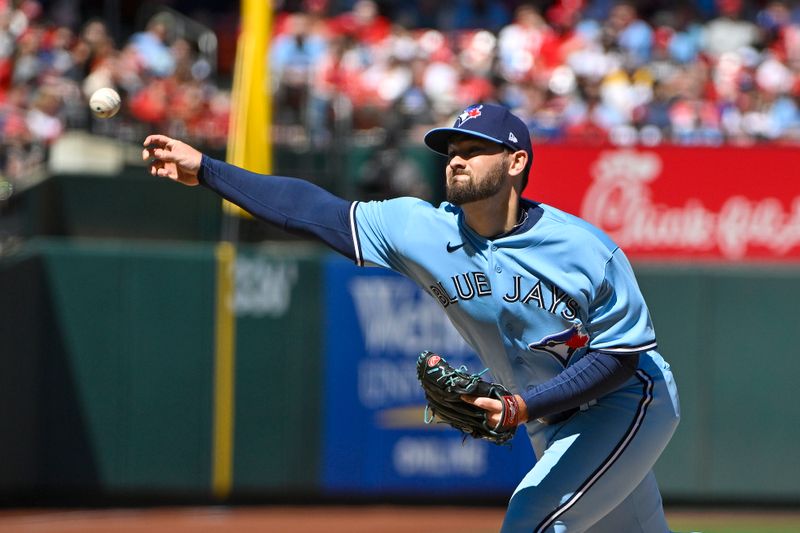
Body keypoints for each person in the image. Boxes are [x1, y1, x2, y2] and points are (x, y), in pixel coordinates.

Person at [142, 103, 680, 532]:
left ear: (516, 163)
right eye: (451, 150)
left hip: (628, 401)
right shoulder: (419, 229)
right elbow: (312, 210)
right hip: (549, 424)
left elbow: (619, 354)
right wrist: (209, 170)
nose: (456, 159)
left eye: (475, 149)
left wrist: (521, 405)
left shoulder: (584, 248)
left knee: (532, 519)